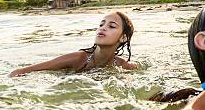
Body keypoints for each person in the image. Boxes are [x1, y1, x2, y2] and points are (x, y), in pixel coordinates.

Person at [9, 11, 137, 77]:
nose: (102, 28)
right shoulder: (79, 59)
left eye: (112, 26)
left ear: (123, 37)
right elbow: (23, 71)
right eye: (101, 24)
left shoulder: (122, 65)